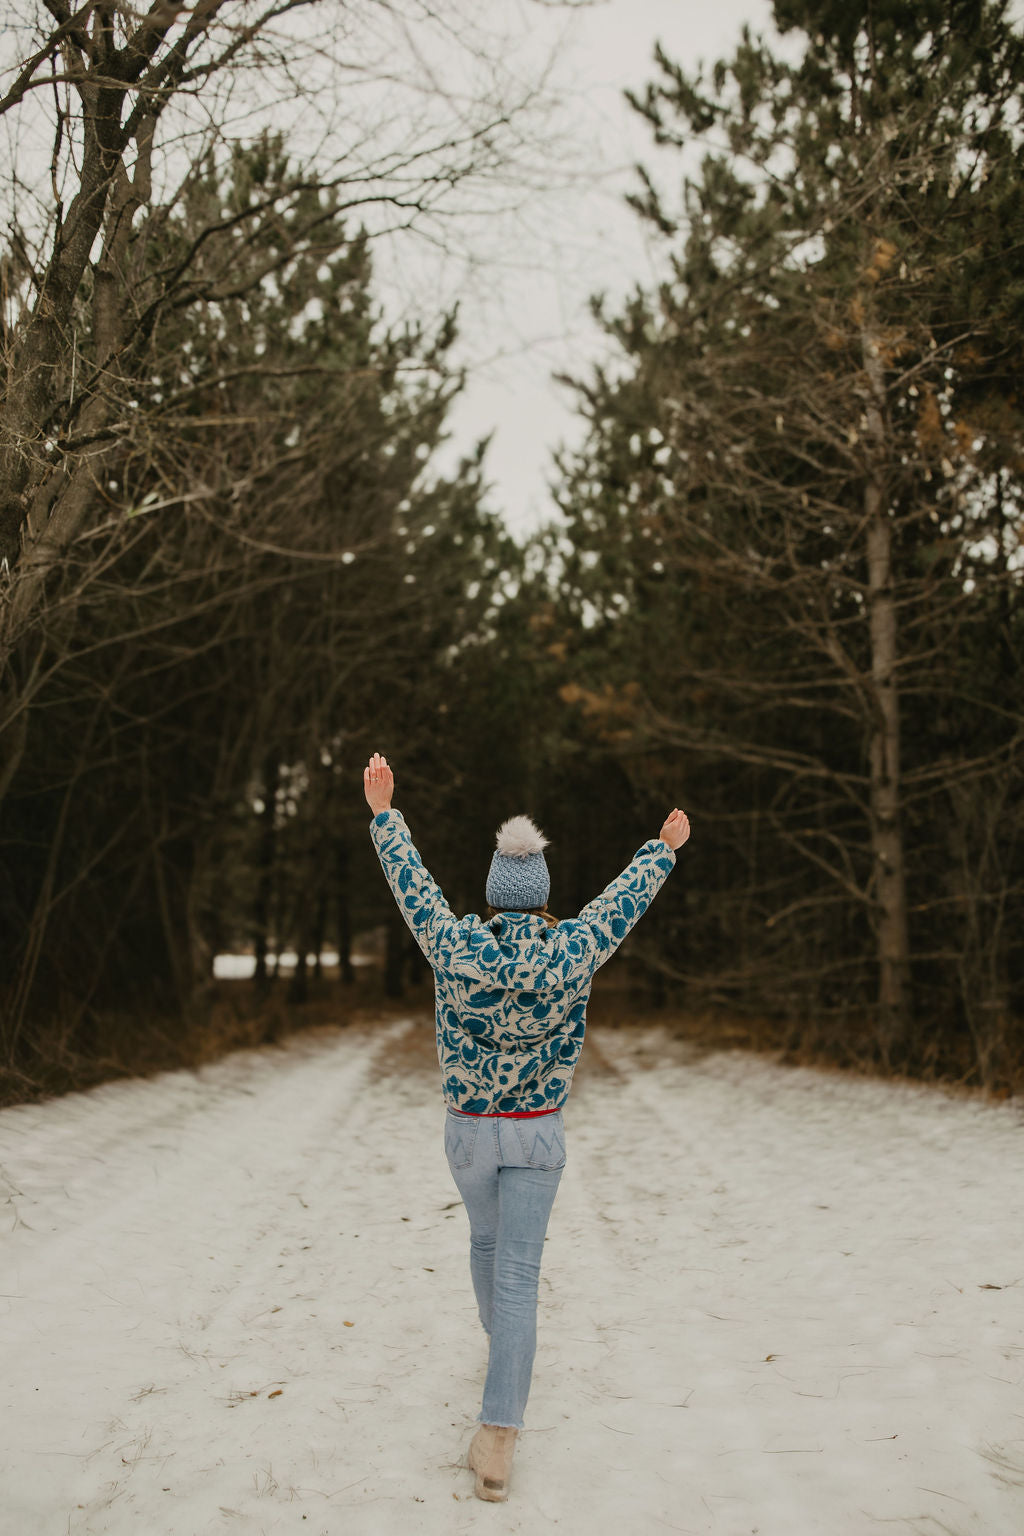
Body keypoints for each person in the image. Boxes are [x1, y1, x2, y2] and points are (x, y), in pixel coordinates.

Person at [363, 751, 690, 1502]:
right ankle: (499, 1438)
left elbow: (413, 891)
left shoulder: (456, 944)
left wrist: (386, 814)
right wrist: (661, 850)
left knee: (486, 1245)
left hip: (470, 1131)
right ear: (541, 898)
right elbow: (619, 905)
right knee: (517, 1277)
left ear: (491, 891)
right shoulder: (573, 947)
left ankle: (501, 1358)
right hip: (537, 1131)